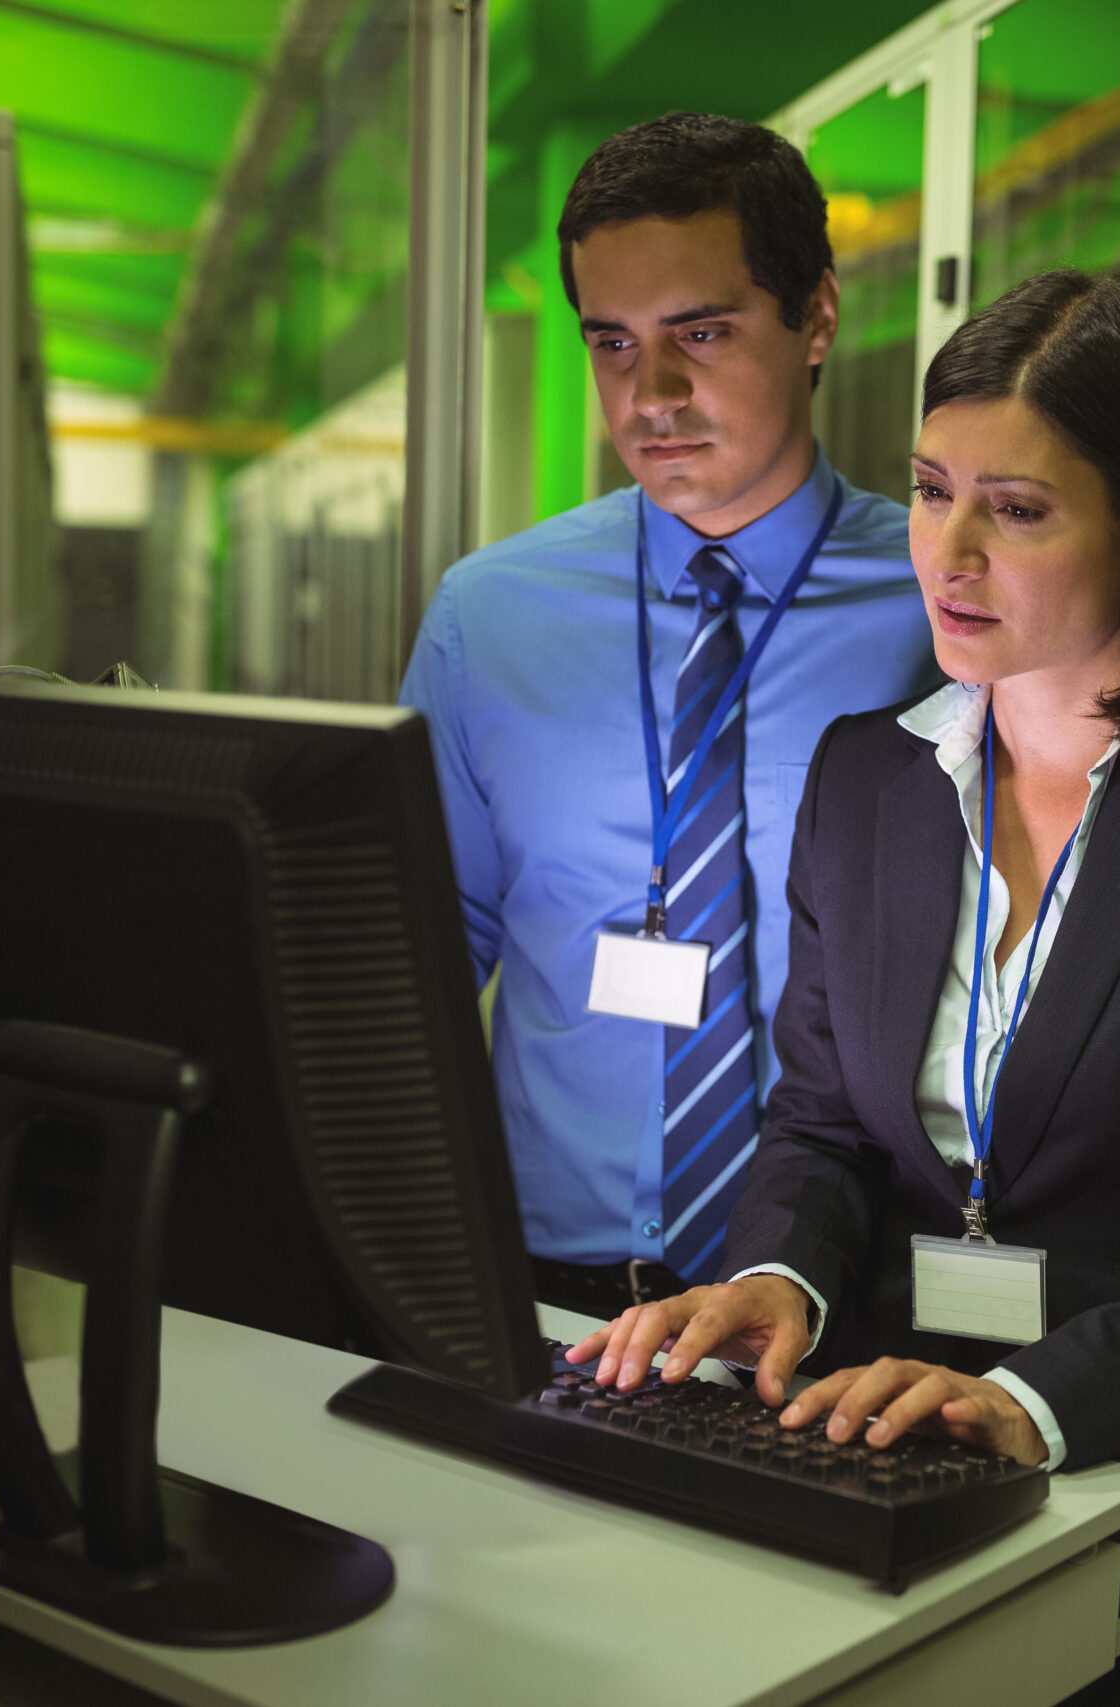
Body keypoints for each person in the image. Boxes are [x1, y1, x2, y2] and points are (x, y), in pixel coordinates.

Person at [572, 270, 1120, 1702]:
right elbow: (820, 1121)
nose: (951, 552)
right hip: (887, 1479)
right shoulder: (870, 775)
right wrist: (775, 1271)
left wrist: (1043, 1397)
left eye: (1019, 509)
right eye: (930, 491)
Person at [400, 115, 936, 1318]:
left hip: (831, 1298)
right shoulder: (490, 616)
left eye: (701, 332)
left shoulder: (942, 606)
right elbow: (415, 962)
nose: (653, 394)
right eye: (612, 343)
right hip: (543, 1287)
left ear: (817, 319)